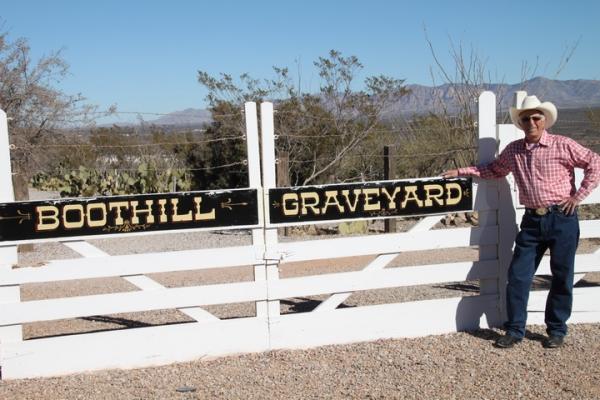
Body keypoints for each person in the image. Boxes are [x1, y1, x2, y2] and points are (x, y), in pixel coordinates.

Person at [442, 95, 600, 348]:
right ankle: (515, 329)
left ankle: (557, 330)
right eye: (526, 119)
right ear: (521, 122)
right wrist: (461, 172)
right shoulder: (514, 150)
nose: (531, 123)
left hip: (562, 218)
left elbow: (595, 162)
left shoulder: (563, 144)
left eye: (536, 118)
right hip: (531, 222)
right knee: (518, 276)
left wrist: (578, 197)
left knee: (561, 275)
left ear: (545, 120)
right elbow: (494, 170)